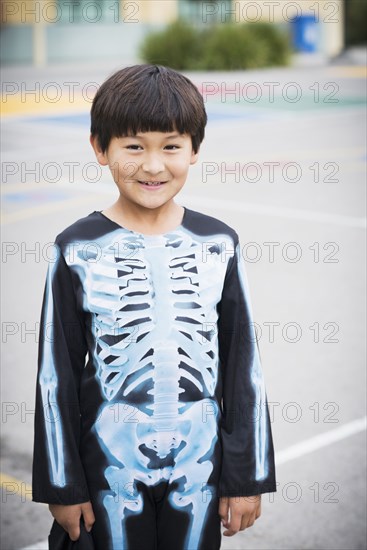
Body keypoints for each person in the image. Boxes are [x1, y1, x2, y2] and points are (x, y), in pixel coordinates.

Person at [32, 64, 276, 550]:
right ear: (100, 149)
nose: (153, 166)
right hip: (109, 462)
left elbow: (242, 367)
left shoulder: (218, 242)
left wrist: (248, 476)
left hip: (199, 463)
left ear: (194, 150)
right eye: (133, 146)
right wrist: (63, 486)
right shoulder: (76, 247)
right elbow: (54, 373)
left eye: (171, 146)